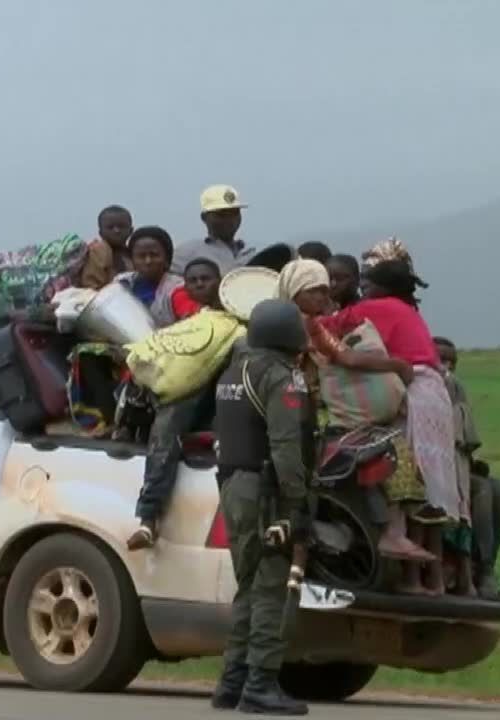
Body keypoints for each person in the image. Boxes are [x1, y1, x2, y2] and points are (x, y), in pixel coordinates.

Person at [317, 254, 465, 596]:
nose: (361, 290)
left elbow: (335, 331)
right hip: (433, 395)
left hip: (414, 391)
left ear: (380, 287)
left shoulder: (378, 307)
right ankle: (432, 580)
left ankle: (400, 557)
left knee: (402, 470)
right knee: (429, 488)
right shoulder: (406, 310)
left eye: (364, 284)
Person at [276, 259, 433, 564]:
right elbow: (347, 359)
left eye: (325, 290)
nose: (324, 297)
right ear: (295, 292)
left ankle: (387, 534)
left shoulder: (295, 323)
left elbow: (341, 356)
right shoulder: (304, 324)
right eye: (315, 291)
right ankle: (391, 534)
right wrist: (396, 365)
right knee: (378, 446)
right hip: (304, 412)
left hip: (304, 407)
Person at [208, 298, 313, 715]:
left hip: (233, 486)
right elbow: (287, 447)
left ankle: (231, 683)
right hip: (267, 491)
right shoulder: (281, 377)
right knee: (270, 585)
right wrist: (296, 504)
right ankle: (261, 684)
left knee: (248, 586)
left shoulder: (232, 372)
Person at [125, 257, 226, 551]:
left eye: (205, 278)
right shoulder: (181, 324)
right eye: (192, 280)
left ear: (219, 281)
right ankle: (148, 519)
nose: (198, 284)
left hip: (223, 393)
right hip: (185, 392)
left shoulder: (234, 317)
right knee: (164, 438)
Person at [435, 336, 500, 601]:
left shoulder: (455, 389)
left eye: (451, 361)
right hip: (428, 469)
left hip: (453, 466)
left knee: (499, 490)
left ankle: (485, 567)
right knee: (480, 489)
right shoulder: (424, 387)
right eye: (440, 359)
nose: (446, 366)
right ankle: (482, 571)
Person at [170, 184, 257, 276]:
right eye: (221, 214)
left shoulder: (251, 253)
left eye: (234, 213)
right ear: (204, 218)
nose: (229, 219)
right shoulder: (185, 253)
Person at [115, 225, 185, 328]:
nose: (148, 261)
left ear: (167, 259)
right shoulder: (121, 283)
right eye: (141, 256)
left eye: (154, 255)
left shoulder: (177, 288)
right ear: (132, 260)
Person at [79, 205, 135, 289]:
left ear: (131, 230)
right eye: (110, 227)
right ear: (100, 233)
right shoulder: (98, 250)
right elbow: (91, 285)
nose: (116, 230)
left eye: (121, 226)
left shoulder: (133, 253)